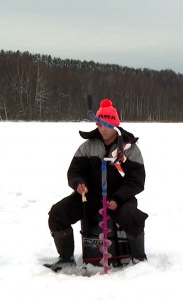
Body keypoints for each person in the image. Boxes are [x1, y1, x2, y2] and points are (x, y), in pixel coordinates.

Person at [47, 98, 148, 269]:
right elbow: (74, 171)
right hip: (90, 197)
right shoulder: (87, 147)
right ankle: (65, 258)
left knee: (133, 217)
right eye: (99, 125)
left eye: (107, 125)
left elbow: (136, 181)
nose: (103, 129)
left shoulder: (129, 149)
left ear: (115, 125)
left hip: (120, 199)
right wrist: (78, 184)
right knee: (58, 213)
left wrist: (117, 198)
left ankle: (138, 259)